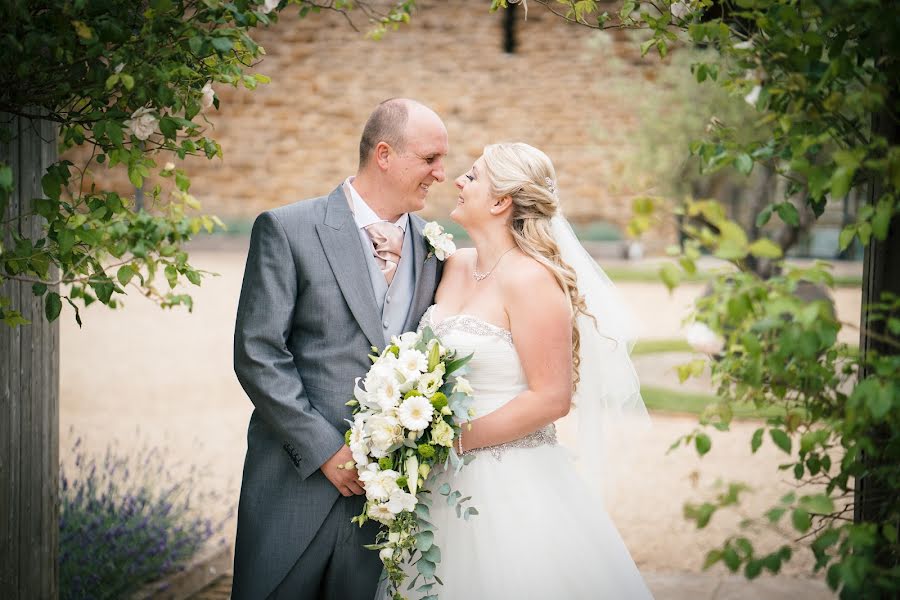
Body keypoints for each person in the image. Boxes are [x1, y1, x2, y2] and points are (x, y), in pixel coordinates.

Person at [399, 142, 654, 598]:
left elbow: (552, 397)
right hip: (437, 483)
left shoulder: (531, 279)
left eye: (472, 176)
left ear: (501, 202)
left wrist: (448, 440)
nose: (458, 180)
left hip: (506, 482)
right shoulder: (453, 264)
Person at [232, 98, 449, 600]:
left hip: (384, 507)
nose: (442, 174)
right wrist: (325, 448)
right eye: (430, 159)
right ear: (385, 154)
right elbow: (258, 352)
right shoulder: (288, 229)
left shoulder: (437, 247)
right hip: (295, 482)